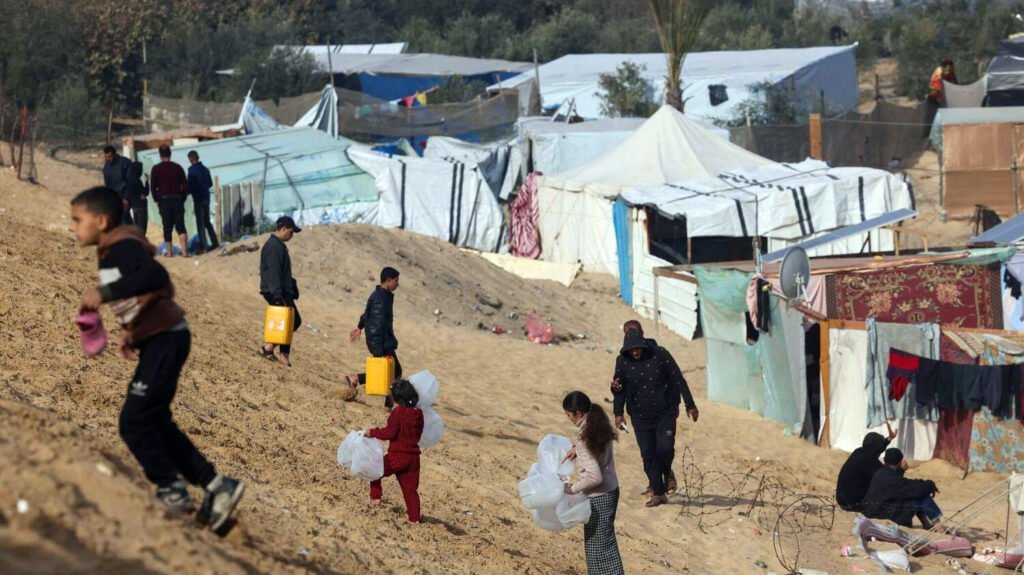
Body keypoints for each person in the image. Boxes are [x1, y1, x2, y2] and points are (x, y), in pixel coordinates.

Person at [69, 186, 245, 531]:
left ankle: (171, 488)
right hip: (162, 339)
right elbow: (144, 293)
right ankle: (216, 486)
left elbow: (155, 276)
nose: (72, 227)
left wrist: (102, 293)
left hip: (168, 340)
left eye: (77, 220)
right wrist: (132, 333)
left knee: (133, 421)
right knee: (156, 420)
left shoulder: (121, 247)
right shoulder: (113, 248)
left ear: (101, 221)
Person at [612, 330, 698, 507]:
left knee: (665, 448)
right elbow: (619, 389)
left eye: (638, 348)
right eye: (631, 349)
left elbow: (678, 378)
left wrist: (689, 404)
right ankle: (658, 493)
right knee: (648, 454)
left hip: (664, 412)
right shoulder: (622, 362)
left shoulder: (660, 354)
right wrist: (618, 413)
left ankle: (667, 472)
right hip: (639, 415)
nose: (635, 352)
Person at [562, 391, 624, 575]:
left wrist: (571, 489)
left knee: (598, 551)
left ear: (578, 413)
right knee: (606, 543)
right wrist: (576, 448)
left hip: (599, 498)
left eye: (569, 414)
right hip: (612, 490)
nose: (568, 418)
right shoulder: (598, 419)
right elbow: (593, 447)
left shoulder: (584, 438)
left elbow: (594, 477)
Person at [364, 379, 424, 522]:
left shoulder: (398, 413)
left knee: (374, 469)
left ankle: (376, 498)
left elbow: (389, 433)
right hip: (414, 458)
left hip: (398, 455)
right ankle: (414, 519)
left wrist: (372, 432)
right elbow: (418, 434)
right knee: (410, 491)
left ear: (397, 398)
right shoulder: (419, 413)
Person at [348, 267, 401, 408]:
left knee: (389, 371)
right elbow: (377, 325)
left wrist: (359, 327)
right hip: (381, 342)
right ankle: (388, 403)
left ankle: (356, 379)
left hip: (383, 341)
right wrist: (379, 348)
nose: (398, 284)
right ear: (389, 281)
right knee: (395, 371)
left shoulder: (381, 295)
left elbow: (367, 314)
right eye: (396, 281)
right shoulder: (381, 298)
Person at [862, 448, 942, 529]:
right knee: (920, 495)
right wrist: (930, 484)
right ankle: (939, 527)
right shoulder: (892, 478)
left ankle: (926, 524)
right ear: (899, 462)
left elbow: (902, 484)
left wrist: (901, 470)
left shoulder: (880, 473)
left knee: (917, 491)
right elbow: (913, 489)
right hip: (884, 515)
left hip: (876, 512)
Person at [259, 216, 302, 366]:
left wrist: (292, 286)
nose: (292, 235)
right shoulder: (274, 246)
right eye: (291, 232)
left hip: (281, 290)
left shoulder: (278, 245)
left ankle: (281, 354)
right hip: (277, 291)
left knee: (291, 321)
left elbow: (282, 272)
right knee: (292, 321)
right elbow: (274, 272)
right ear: (283, 229)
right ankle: (271, 348)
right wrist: (277, 295)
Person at [835, 430, 896, 511]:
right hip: (854, 503)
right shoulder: (872, 462)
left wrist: (889, 439)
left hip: (842, 500)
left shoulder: (858, 452)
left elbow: (875, 449)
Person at [149, 145, 190, 257]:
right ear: (170, 154)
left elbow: (152, 187)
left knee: (167, 226)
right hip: (177, 200)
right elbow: (185, 185)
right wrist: (182, 198)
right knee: (181, 225)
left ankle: (170, 252)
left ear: (160, 155)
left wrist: (157, 199)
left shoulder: (156, 169)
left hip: (164, 200)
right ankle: (185, 251)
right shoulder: (178, 168)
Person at [187, 151, 218, 253]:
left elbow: (190, 186)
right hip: (206, 196)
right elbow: (210, 183)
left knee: (200, 222)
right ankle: (214, 242)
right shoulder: (205, 169)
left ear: (190, 159)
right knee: (207, 221)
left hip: (198, 198)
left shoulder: (191, 171)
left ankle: (204, 246)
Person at [102, 145, 134, 226]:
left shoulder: (125, 163)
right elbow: (107, 183)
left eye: (109, 157)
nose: (107, 159)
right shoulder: (107, 166)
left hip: (124, 196)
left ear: (115, 155)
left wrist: (126, 198)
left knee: (125, 218)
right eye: (106, 157)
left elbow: (130, 181)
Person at [126, 161, 149, 234]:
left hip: (134, 207)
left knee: (137, 228)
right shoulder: (137, 181)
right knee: (142, 229)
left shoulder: (129, 180)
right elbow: (145, 192)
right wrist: (147, 182)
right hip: (141, 206)